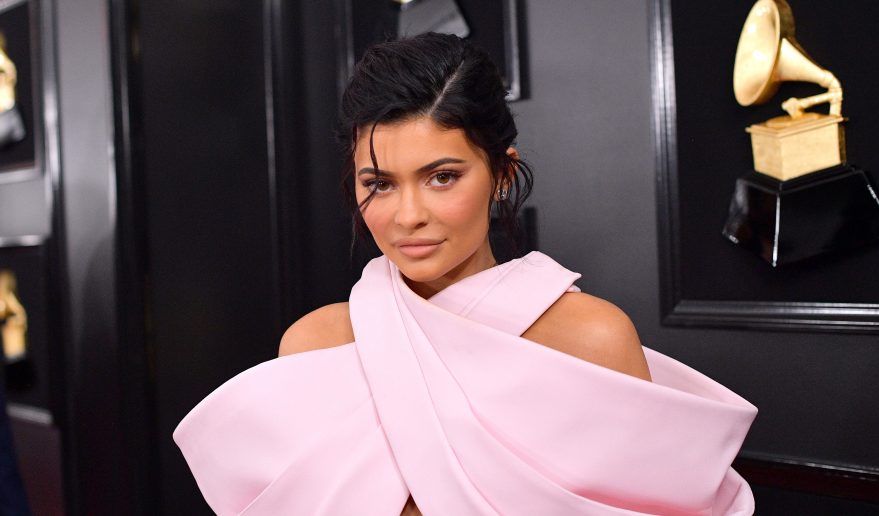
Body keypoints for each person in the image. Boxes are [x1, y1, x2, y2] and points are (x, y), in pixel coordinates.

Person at [174, 32, 757, 515]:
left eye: (442, 177)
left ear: (503, 174)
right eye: (379, 183)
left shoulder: (593, 340)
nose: (407, 216)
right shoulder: (313, 344)